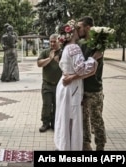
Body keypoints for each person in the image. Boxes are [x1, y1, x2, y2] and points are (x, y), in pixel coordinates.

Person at [54, 20, 102, 151]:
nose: (80, 30)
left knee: (64, 117)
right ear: (73, 31)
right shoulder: (74, 47)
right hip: (72, 88)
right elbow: (82, 69)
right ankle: (71, 147)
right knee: (72, 118)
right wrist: (94, 58)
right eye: (78, 28)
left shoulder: (65, 48)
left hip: (64, 85)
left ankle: (63, 145)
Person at [77, 16, 107, 151]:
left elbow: (90, 67)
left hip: (94, 90)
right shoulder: (82, 44)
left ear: (87, 27)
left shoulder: (98, 45)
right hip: (82, 89)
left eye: (80, 27)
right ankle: (86, 145)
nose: (78, 29)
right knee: (83, 120)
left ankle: (100, 147)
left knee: (96, 121)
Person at [37, 34, 62, 132]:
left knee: (57, 105)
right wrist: (49, 58)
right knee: (46, 104)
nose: (52, 44)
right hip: (47, 84)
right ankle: (45, 123)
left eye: (54, 41)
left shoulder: (63, 52)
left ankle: (55, 123)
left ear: (59, 41)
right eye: (51, 42)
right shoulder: (45, 52)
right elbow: (39, 64)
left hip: (59, 85)